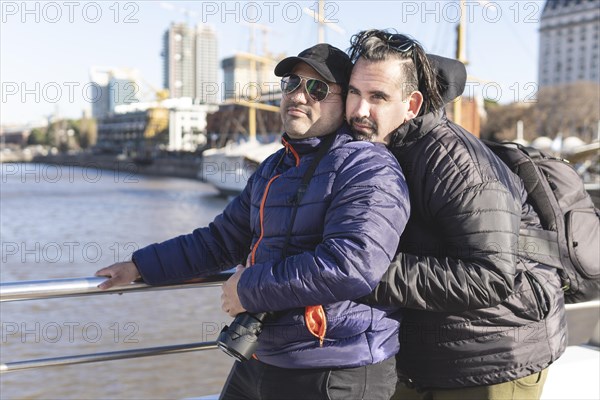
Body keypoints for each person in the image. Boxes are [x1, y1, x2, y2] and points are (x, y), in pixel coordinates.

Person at [95, 43, 410, 400]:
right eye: (292, 83)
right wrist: (140, 265)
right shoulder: (274, 167)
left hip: (334, 367)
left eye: (317, 89)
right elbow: (220, 240)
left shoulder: (367, 168)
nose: (298, 96)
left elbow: (351, 264)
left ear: (346, 103)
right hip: (263, 355)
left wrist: (247, 290)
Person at [345, 29, 567, 400]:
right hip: (430, 352)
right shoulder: (386, 147)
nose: (359, 111)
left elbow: (490, 276)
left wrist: (359, 271)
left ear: (412, 104)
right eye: (354, 93)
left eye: (377, 97)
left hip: (494, 357)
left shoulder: (458, 165)